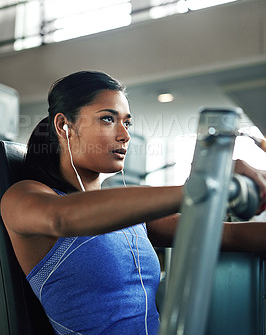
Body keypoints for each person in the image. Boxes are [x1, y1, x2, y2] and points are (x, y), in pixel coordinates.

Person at [0, 71, 265, 335]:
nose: (124, 135)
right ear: (63, 126)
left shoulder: (132, 216)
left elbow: (230, 236)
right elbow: (62, 218)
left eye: (127, 123)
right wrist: (207, 183)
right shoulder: (24, 197)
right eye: (107, 119)